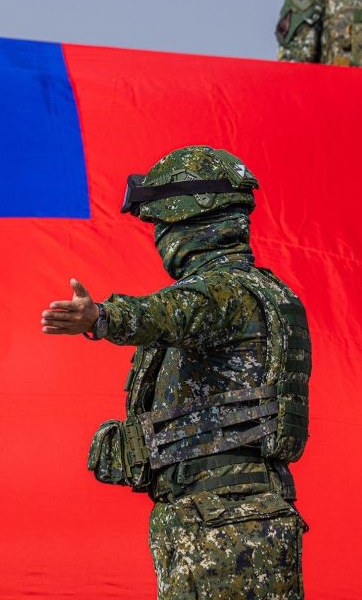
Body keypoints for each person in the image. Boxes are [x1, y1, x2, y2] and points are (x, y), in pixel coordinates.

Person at [40, 146, 310, 600]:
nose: (159, 237)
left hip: (224, 524)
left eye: (160, 225)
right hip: (222, 516)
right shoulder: (257, 291)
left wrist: (102, 317)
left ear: (187, 222)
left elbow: (170, 314)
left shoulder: (225, 293)